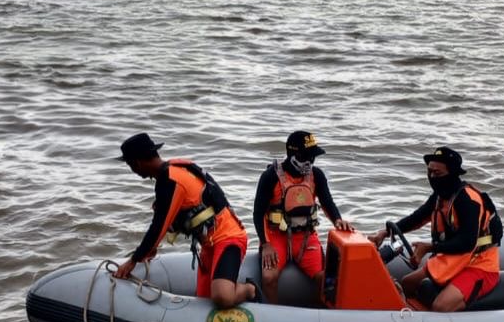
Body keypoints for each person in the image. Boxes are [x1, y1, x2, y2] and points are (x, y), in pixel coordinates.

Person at [113, 133, 257, 308]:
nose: (132, 170)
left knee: (222, 298)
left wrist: (134, 260)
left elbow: (158, 226)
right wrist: (150, 251)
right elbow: (170, 220)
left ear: (137, 163)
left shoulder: (171, 180)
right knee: (203, 302)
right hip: (208, 243)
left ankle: (250, 289)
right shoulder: (172, 173)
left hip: (229, 238)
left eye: (130, 165)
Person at [369, 146, 502, 312]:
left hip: (479, 266)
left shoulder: (467, 200)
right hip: (454, 260)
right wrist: (385, 232)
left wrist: (429, 248)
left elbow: (467, 242)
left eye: (437, 173)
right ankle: (408, 316)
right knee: (407, 283)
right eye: (429, 172)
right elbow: (417, 218)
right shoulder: (440, 196)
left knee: (441, 306)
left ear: (452, 173)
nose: (432, 177)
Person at [251, 131, 353, 305]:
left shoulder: (317, 176)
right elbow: (258, 213)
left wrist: (337, 220)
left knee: (325, 279)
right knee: (269, 277)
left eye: (313, 157)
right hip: (276, 237)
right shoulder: (270, 177)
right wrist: (266, 244)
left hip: (306, 237)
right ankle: (272, 315)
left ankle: (316, 315)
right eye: (307, 157)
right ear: (293, 154)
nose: (310, 162)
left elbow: (327, 202)